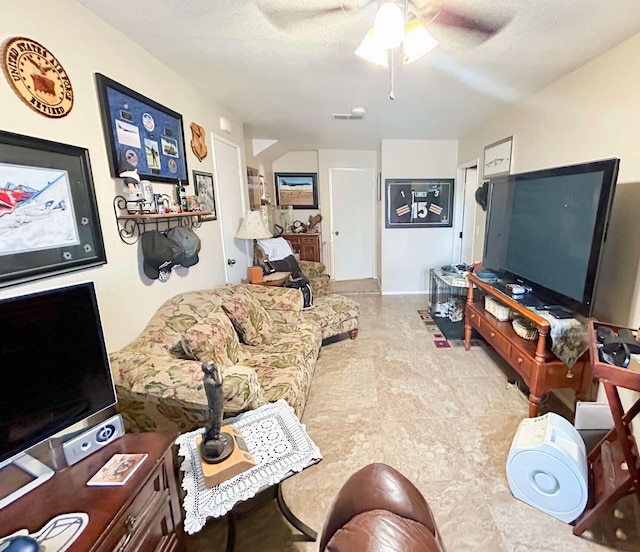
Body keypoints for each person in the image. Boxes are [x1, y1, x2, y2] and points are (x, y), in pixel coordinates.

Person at [200, 361, 234, 463]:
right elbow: (219, 382)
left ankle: (215, 435)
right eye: (211, 366)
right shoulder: (209, 381)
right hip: (215, 403)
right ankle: (214, 436)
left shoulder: (208, 378)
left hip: (217, 400)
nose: (213, 366)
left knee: (217, 419)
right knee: (217, 420)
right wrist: (218, 369)